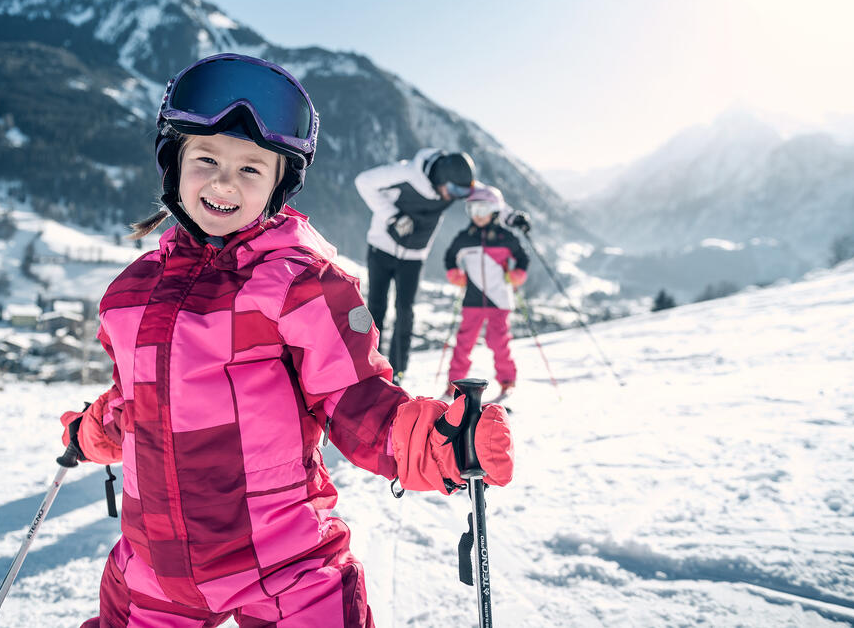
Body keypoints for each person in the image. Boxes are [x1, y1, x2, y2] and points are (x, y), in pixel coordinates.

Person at [57, 54, 514, 628]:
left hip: (285, 563)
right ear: (173, 164)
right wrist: (88, 431)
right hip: (157, 568)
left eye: (251, 169)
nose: (224, 180)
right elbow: (133, 406)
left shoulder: (302, 287)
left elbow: (357, 403)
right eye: (206, 159)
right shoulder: (129, 297)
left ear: (278, 185)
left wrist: (439, 441)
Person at [354, 149, 475, 384]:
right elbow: (364, 181)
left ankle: (398, 372)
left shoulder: (451, 188)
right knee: (377, 308)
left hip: (414, 257)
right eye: (452, 190)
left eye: (461, 193)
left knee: (405, 311)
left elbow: (483, 195)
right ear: (441, 178)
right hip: (381, 247)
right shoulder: (407, 173)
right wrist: (393, 216)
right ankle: (369, 368)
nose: (452, 198)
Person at [443, 185, 530, 401]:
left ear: (495, 211)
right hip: (472, 299)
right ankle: (454, 383)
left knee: (498, 340)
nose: (478, 216)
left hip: (499, 299)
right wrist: (455, 272)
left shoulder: (506, 237)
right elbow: (449, 256)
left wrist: (518, 273)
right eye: (473, 210)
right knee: (464, 341)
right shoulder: (465, 238)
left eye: (483, 210)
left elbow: (523, 258)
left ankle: (507, 380)